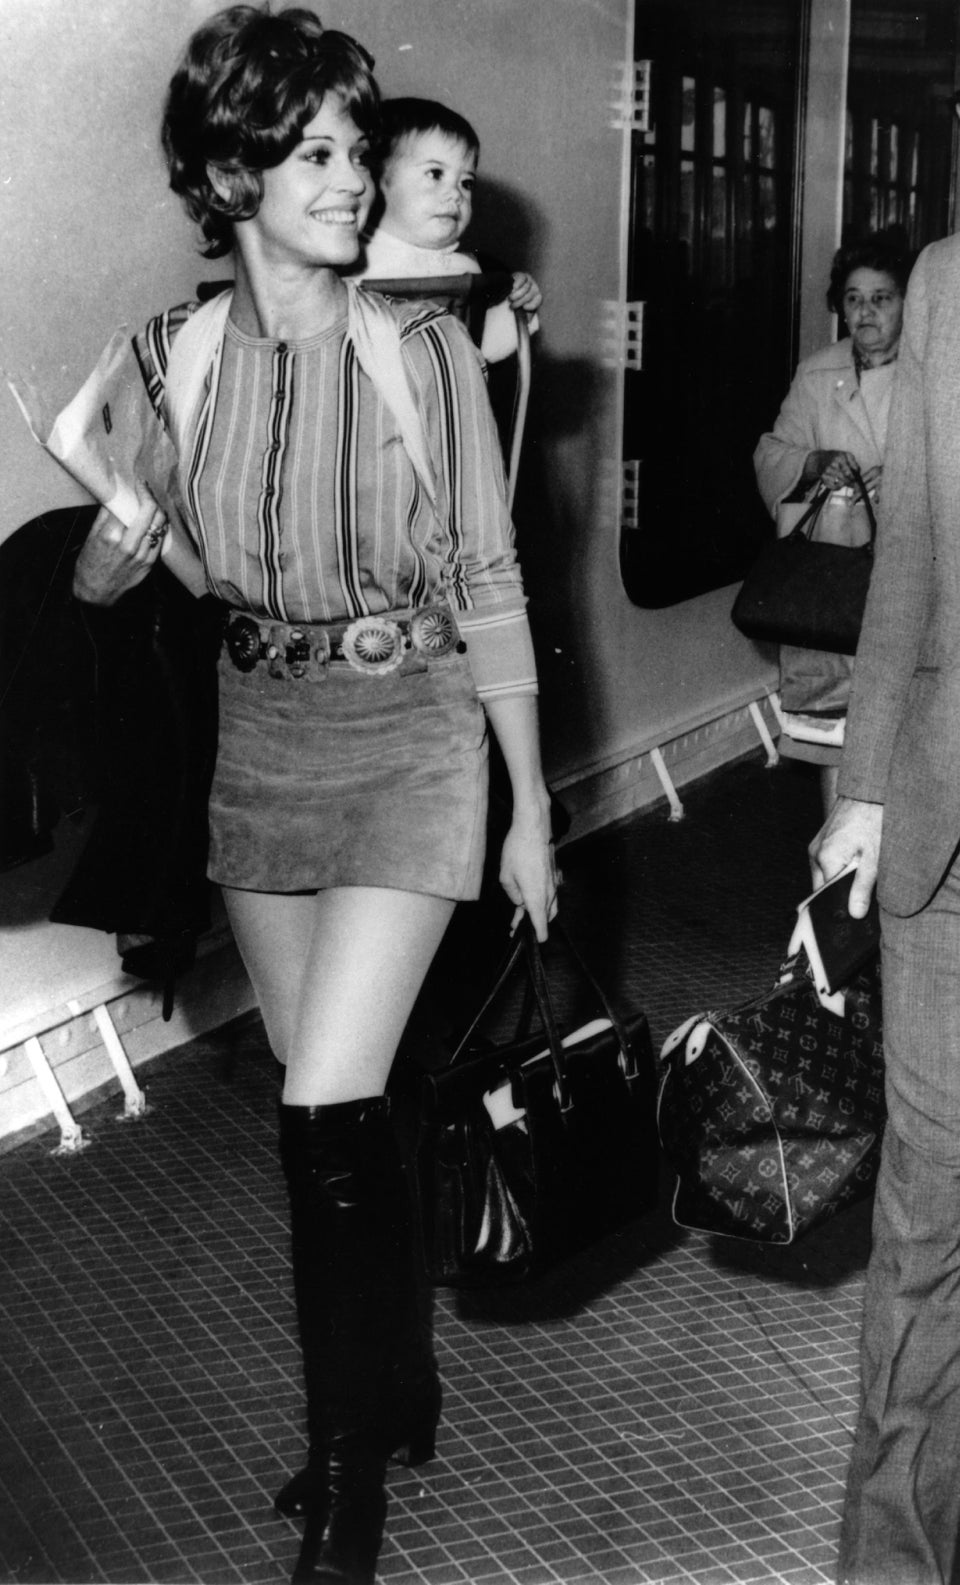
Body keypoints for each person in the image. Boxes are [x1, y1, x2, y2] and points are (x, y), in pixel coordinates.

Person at [67, 8, 558, 1583]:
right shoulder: (168, 356)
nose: (356, 180)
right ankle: (392, 1381)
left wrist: (531, 807)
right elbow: (111, 583)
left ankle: (348, 1472)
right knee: (337, 1105)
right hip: (263, 737)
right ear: (232, 173)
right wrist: (113, 551)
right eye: (323, 152)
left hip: (415, 730)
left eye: (360, 151)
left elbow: (491, 581)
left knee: (323, 1110)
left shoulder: (421, 349)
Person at [810, 224, 960, 1585]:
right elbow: (911, 538)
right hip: (946, 825)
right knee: (928, 1209)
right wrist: (862, 783)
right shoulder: (950, 281)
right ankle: (897, 1564)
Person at [754, 233, 911, 812]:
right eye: (853, 299)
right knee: (834, 729)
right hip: (830, 585)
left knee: (902, 727)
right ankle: (838, 873)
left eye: (882, 298)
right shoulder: (817, 373)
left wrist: (897, 481)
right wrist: (813, 463)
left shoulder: (936, 375)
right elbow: (771, 453)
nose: (866, 313)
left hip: (903, 579)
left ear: (906, 304)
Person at [353, 96, 541, 363]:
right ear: (375, 179)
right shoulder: (347, 261)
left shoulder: (465, 271)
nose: (455, 194)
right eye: (435, 174)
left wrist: (519, 309)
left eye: (466, 183)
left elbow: (478, 352)